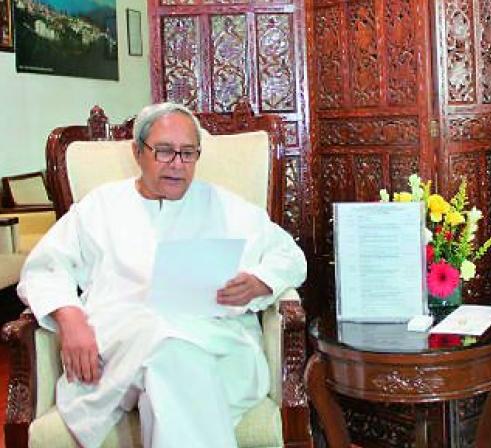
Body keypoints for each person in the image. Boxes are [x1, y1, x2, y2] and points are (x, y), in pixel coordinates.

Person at [17, 102, 307, 448]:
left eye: (188, 154)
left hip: (217, 343)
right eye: (165, 152)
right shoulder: (101, 207)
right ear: (138, 152)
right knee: (170, 352)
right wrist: (69, 317)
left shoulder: (227, 207)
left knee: (172, 357)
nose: (178, 165)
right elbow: (45, 268)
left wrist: (259, 281)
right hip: (120, 346)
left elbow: (289, 256)